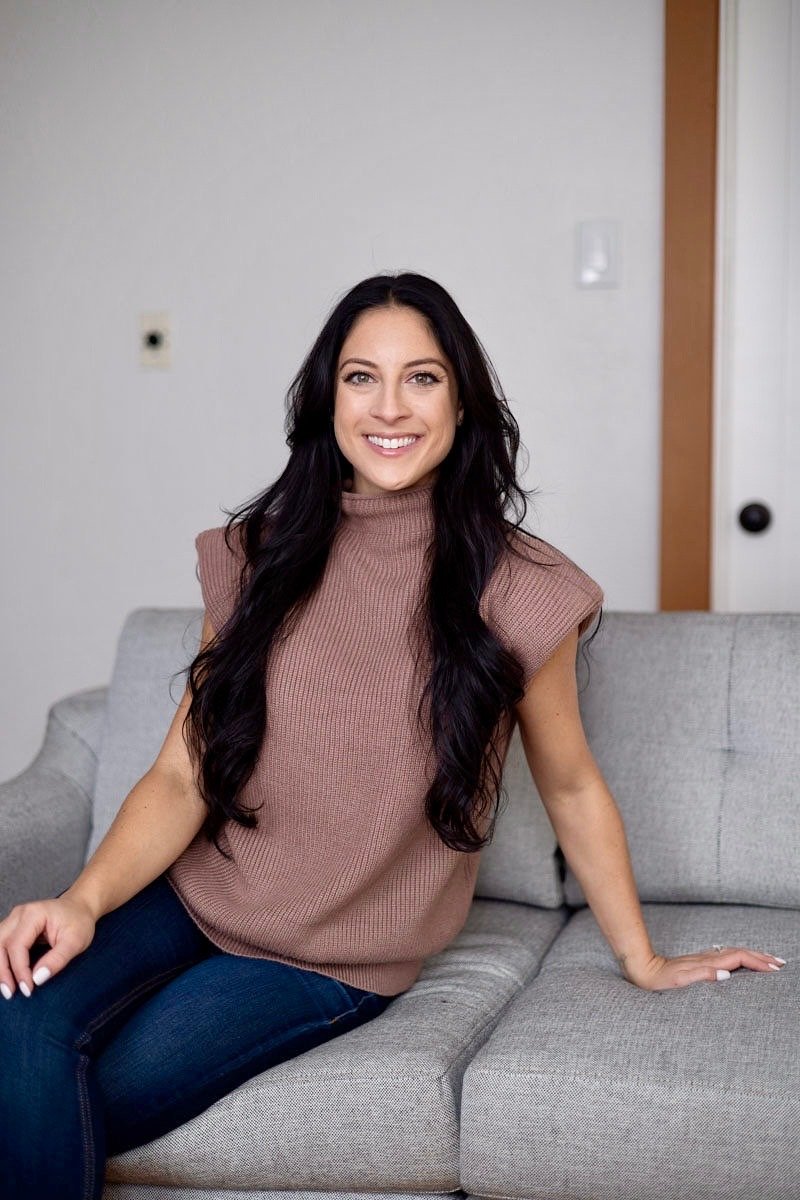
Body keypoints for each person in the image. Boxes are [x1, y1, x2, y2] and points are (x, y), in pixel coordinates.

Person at [0, 272, 784, 1198]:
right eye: (360, 378)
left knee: (79, 1088)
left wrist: (643, 958)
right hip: (195, 892)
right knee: (23, 1029)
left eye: (422, 378)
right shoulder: (258, 554)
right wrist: (84, 900)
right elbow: (183, 773)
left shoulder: (522, 588)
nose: (390, 407)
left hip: (327, 960)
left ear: (463, 400)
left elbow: (570, 784)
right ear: (326, 399)